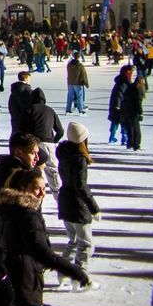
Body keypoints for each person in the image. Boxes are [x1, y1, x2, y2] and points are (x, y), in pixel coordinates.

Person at [0, 168, 88, 306]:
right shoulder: (27, 214)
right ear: (23, 188)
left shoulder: (12, 208)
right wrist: (76, 272)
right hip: (26, 276)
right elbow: (41, 252)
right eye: (37, 189)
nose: (42, 193)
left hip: (21, 273)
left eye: (44, 189)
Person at [55, 121, 101, 292]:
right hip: (76, 204)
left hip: (65, 201)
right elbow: (81, 186)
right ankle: (80, 277)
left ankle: (63, 272)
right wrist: (94, 208)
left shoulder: (64, 153)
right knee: (86, 243)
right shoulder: (78, 158)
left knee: (73, 241)